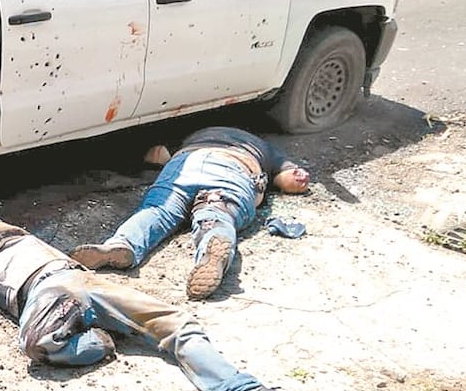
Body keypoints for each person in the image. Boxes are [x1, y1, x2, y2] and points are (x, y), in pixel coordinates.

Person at [0, 199, 332, 391]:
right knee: (171, 325)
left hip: (60, 287)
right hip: (59, 289)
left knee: (170, 322)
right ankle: (237, 388)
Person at [71, 126, 311, 300]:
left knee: (157, 211)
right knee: (216, 214)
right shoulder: (262, 148)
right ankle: (211, 252)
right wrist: (298, 177)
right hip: (233, 168)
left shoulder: (192, 135)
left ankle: (123, 244)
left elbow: (155, 154)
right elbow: (290, 180)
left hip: (185, 163)